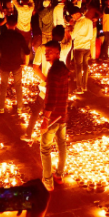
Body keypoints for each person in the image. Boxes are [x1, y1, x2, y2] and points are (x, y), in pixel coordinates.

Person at [38, 41, 70, 191]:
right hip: (63, 114)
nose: (46, 54)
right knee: (62, 144)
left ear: (57, 52)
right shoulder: (63, 68)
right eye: (46, 51)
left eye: (49, 51)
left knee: (45, 147)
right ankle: (59, 174)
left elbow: (50, 97)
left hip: (53, 117)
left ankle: (48, 181)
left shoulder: (53, 72)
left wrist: (45, 119)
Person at [0, 14, 29, 114]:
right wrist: (25, 62)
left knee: (3, 86)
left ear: (6, 24)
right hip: (16, 64)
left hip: (4, 64)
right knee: (18, 85)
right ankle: (20, 107)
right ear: (16, 24)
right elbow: (27, 51)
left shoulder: (1, 36)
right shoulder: (19, 36)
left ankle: (1, 107)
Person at [68, 7, 93, 94]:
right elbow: (91, 35)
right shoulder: (89, 21)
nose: (73, 18)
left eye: (73, 16)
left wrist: (70, 28)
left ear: (78, 14)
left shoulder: (78, 23)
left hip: (79, 47)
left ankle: (79, 87)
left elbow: (72, 36)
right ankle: (84, 86)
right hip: (87, 47)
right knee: (85, 67)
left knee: (78, 67)